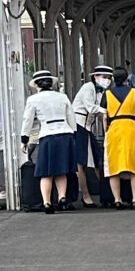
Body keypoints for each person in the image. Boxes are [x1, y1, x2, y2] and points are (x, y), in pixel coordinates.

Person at [20, 68, 77, 214]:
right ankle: (62, 197)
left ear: (37, 85)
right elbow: (71, 116)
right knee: (61, 169)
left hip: (47, 135)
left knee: (46, 172)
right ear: (51, 83)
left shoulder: (33, 99)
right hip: (65, 134)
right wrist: (73, 132)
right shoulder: (62, 97)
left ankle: (46, 203)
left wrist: (24, 139)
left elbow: (27, 120)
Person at [104, 68, 135, 208]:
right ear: (126, 78)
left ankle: (117, 200)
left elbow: (104, 116)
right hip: (131, 128)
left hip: (114, 130)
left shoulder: (107, 94)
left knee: (114, 167)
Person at [68, 67, 111, 208]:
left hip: (87, 127)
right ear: (95, 77)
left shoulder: (101, 91)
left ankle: (105, 193)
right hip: (78, 126)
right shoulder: (88, 88)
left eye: (109, 77)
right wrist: (109, 110)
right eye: (104, 77)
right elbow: (91, 107)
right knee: (81, 162)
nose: (107, 80)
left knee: (96, 159)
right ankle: (86, 196)